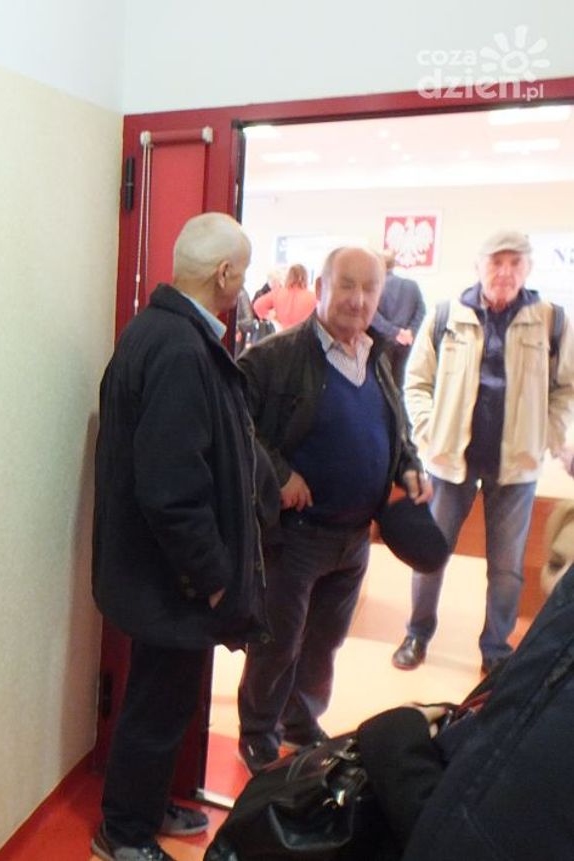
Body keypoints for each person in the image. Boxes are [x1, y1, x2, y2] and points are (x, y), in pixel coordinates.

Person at [91, 213, 271, 861]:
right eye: (242, 273)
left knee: (162, 702)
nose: (244, 285)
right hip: (172, 578)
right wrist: (216, 577)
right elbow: (172, 490)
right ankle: (123, 833)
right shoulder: (179, 349)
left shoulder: (162, 332)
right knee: (156, 706)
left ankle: (143, 805)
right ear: (224, 274)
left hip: (160, 572)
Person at [234, 247, 431, 773]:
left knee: (324, 642)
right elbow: (234, 425)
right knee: (278, 643)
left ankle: (300, 722)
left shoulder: (378, 354)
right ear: (321, 288)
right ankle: (258, 732)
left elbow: (395, 427)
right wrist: (279, 475)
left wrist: (408, 466)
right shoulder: (275, 356)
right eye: (347, 285)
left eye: (370, 288)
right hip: (294, 535)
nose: (359, 299)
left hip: (355, 537)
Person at [393, 229, 574, 676]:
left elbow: (565, 388)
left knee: (507, 567)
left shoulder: (551, 320)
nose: (505, 272)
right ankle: (417, 633)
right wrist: (429, 432)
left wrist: (547, 436)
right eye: (496, 262)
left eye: (515, 263)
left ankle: (495, 649)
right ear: (479, 266)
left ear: (528, 268)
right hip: (451, 462)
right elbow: (416, 382)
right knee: (430, 553)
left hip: (516, 467)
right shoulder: (446, 315)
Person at [356, 519, 574, 861]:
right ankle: (418, 634)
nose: (559, 586)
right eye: (556, 564)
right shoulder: (536, 665)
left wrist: (395, 739)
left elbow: (476, 836)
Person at [371, 249, 426, 386]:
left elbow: (372, 316)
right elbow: (421, 312)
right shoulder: (412, 286)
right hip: (407, 344)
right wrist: (410, 332)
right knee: (402, 385)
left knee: (383, 386)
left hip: (381, 343)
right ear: (394, 264)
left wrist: (395, 332)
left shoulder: (373, 287)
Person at [252, 263, 317, 331]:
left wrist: (274, 318)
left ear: (288, 276)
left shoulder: (278, 293)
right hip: (303, 334)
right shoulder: (313, 298)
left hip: (282, 333)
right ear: (305, 278)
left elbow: (257, 305)